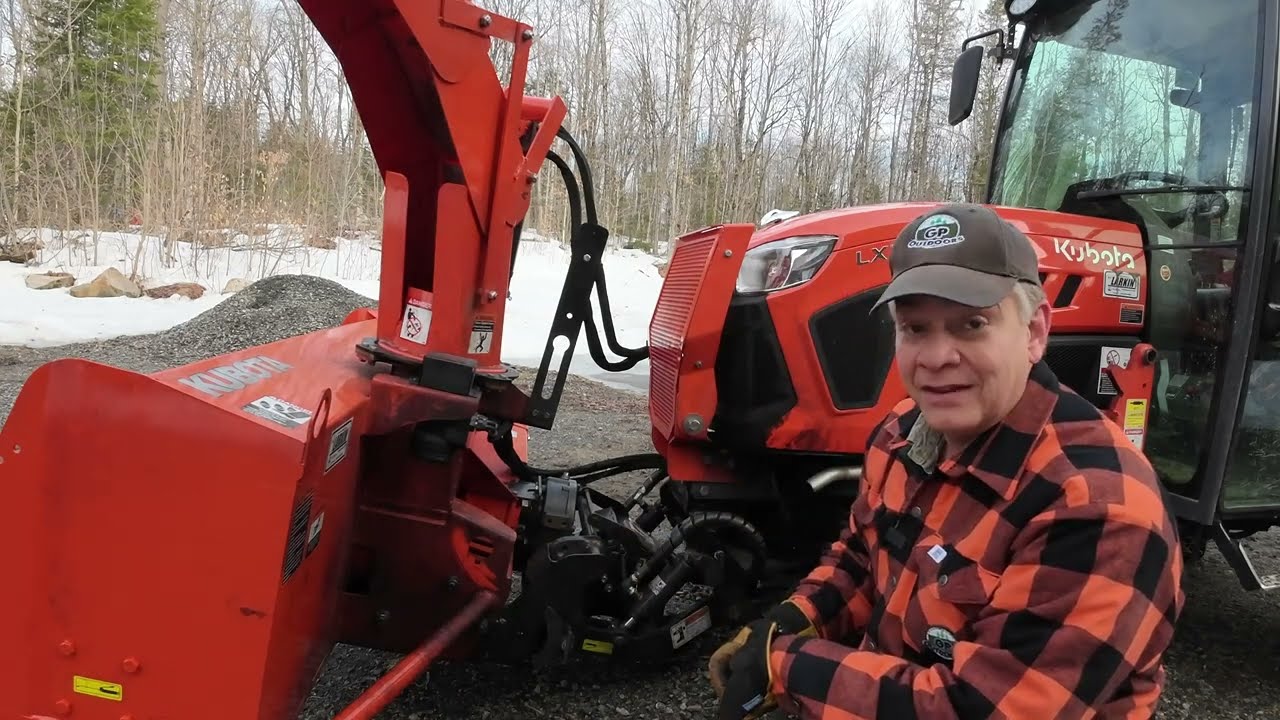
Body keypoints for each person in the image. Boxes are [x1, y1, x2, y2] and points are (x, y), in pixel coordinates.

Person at [708, 203, 1185, 719]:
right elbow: (860, 560)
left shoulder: (1098, 506)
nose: (936, 357)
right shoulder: (901, 433)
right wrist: (789, 620)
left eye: (972, 324)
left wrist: (785, 666)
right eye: (915, 329)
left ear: (1034, 331)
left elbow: (982, 709)